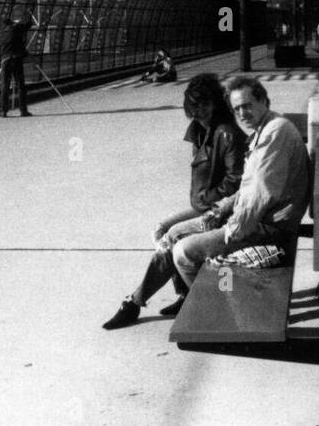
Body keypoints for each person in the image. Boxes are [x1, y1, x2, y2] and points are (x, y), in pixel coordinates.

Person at [103, 75, 310, 329]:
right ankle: (153, 299)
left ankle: (217, 312)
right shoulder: (261, 130)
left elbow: (257, 194)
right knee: (167, 232)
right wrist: (224, 207)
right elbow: (250, 188)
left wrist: (230, 227)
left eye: (247, 105)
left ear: (263, 101)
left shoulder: (263, 134)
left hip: (265, 227)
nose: (242, 113)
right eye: (237, 108)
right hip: (233, 211)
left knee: (179, 247)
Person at [101, 75, 246, 327]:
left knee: (172, 238)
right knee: (161, 228)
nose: (198, 111)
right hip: (203, 205)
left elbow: (236, 180)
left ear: (216, 103)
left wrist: (208, 199)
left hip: (219, 210)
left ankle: (134, 302)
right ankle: (184, 293)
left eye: (204, 104)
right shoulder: (201, 131)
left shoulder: (226, 133)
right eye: (193, 106)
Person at [0, 17, 33, 117]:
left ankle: (3, 111)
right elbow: (28, 24)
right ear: (11, 23)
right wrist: (21, 20)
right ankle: (23, 110)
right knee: (20, 86)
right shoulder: (16, 29)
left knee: (5, 86)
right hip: (16, 59)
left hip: (5, 61)